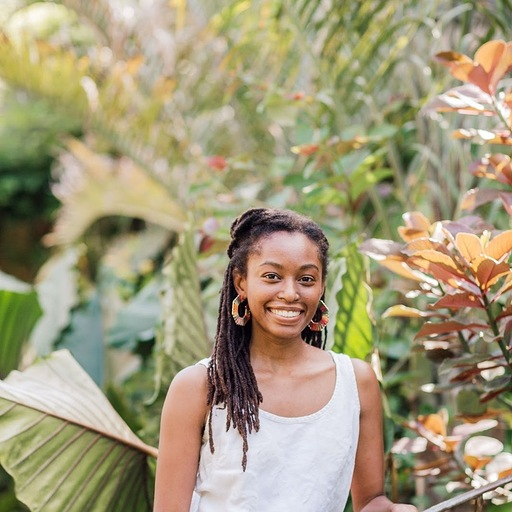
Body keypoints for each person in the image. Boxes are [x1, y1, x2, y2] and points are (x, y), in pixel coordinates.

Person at [154, 208, 417, 512]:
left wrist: (393, 510)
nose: (290, 293)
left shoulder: (355, 382)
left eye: (306, 279)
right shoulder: (201, 386)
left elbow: (371, 501)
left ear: (321, 287)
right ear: (241, 282)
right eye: (272, 276)